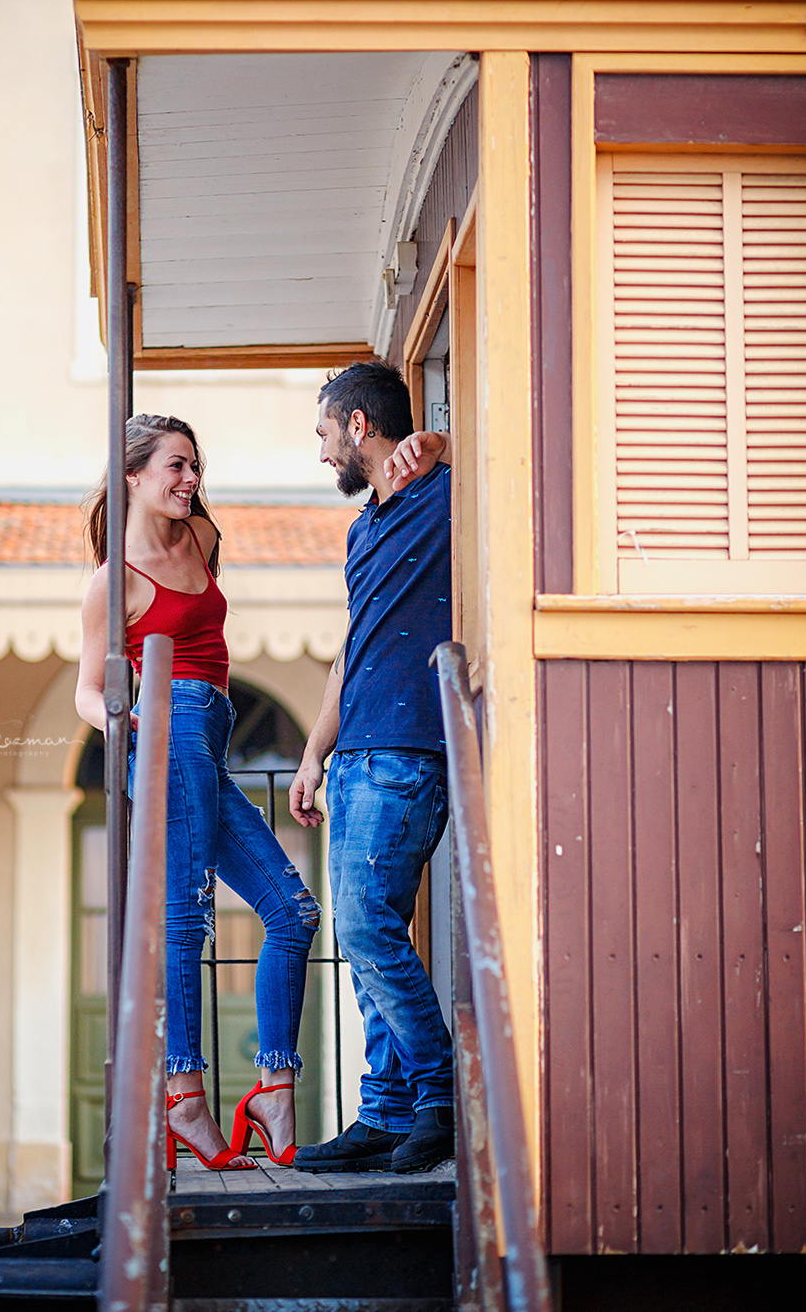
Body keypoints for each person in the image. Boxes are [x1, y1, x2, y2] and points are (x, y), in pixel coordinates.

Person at [76, 414, 320, 1172]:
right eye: (175, 466)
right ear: (134, 475)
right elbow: (87, 692)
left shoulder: (201, 538)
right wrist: (132, 727)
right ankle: (184, 1095)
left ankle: (273, 1085)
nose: (190, 480)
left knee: (292, 910)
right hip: (166, 728)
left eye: (194, 466)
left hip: (211, 732)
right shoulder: (111, 584)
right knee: (187, 916)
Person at [289, 362, 454, 1176]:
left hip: (409, 750)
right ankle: (386, 1114)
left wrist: (439, 440)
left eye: (324, 433)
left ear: (359, 425)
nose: (321, 454)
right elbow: (350, 652)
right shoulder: (363, 532)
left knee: (363, 926)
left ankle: (438, 1092)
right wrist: (313, 754)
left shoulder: (445, 497)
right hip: (353, 754)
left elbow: (498, 460)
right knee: (365, 937)